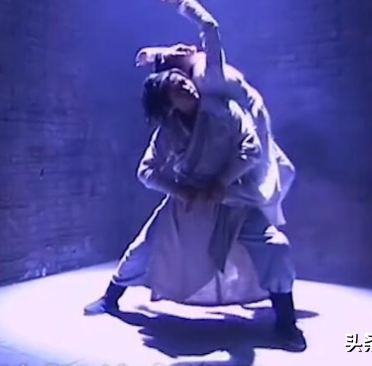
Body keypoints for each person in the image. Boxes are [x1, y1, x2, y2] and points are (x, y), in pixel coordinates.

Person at [83, 63, 306, 350]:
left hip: (232, 201)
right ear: (169, 105)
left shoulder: (225, 111)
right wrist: (181, 191)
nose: (187, 86)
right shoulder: (168, 131)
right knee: (144, 248)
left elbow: (251, 148)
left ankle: (286, 322)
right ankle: (110, 297)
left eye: (184, 81)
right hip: (187, 206)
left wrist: (222, 182)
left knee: (275, 246)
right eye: (177, 89)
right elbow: (146, 171)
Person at [136, 0, 296, 228]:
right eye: (177, 52)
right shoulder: (206, 74)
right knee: (260, 187)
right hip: (246, 120)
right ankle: (234, 212)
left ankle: (240, 207)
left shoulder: (193, 76)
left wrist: (152, 54)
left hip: (242, 116)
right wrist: (183, 3)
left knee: (284, 172)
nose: (185, 48)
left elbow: (176, 56)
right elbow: (209, 27)